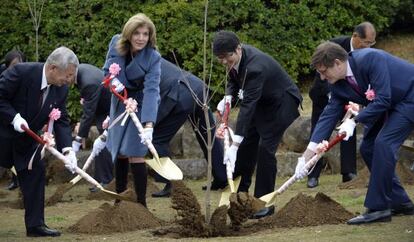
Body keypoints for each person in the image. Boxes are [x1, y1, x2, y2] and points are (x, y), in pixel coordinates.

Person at [296, 41, 414, 225]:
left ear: (337, 63)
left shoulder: (370, 59)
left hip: (409, 96)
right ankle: (400, 202)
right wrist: (305, 157)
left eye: (323, 71)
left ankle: (378, 208)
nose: (321, 77)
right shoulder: (337, 84)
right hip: (392, 104)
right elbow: (328, 116)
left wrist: (353, 121)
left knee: (383, 143)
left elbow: (382, 98)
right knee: (368, 147)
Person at [212, 31, 302, 219]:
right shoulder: (234, 59)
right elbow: (232, 79)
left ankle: (264, 202)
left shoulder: (255, 67)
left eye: (228, 56)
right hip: (262, 102)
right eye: (221, 58)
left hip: (281, 103)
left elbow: (247, 107)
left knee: (264, 149)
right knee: (247, 144)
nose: (225, 61)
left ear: (238, 48)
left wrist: (234, 145)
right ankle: (240, 195)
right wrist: (227, 97)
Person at [0, 46, 79, 237]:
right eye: (67, 75)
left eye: (71, 76)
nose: (69, 80)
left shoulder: (61, 90)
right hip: (2, 132)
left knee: (36, 172)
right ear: (52, 68)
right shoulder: (21, 72)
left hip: (26, 141)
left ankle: (35, 226)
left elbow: (60, 119)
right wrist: (14, 118)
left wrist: (68, 149)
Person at [307, 22, 377, 188]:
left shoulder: (368, 55)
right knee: (320, 130)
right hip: (325, 96)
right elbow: (322, 76)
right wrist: (335, 95)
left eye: (371, 44)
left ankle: (348, 171)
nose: (368, 46)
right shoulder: (333, 47)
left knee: (348, 131)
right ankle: (312, 173)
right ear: (355, 36)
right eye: (366, 42)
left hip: (351, 97)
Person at [103, 13, 161, 207]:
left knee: (136, 151)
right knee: (119, 150)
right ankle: (120, 200)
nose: (141, 38)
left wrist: (149, 125)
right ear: (129, 33)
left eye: (145, 34)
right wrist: (115, 84)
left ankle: (141, 205)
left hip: (141, 102)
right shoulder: (115, 43)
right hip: (119, 101)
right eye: (137, 33)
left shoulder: (153, 57)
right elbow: (106, 73)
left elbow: (152, 90)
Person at [151, 58, 227, 197]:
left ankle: (173, 185)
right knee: (207, 135)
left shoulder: (138, 63)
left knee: (157, 139)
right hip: (198, 88)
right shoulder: (150, 54)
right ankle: (222, 178)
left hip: (182, 94)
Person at [72, 63, 113, 191]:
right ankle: (99, 180)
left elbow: (88, 113)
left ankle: (106, 181)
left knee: (103, 143)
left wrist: (77, 140)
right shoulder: (81, 71)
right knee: (101, 145)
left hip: (110, 110)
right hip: (103, 108)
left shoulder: (88, 81)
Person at [0, 50, 27, 190]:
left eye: (20, 64)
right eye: (14, 65)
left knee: (18, 149)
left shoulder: (26, 75)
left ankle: (18, 180)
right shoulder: (3, 74)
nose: (18, 67)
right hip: (4, 114)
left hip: (19, 116)